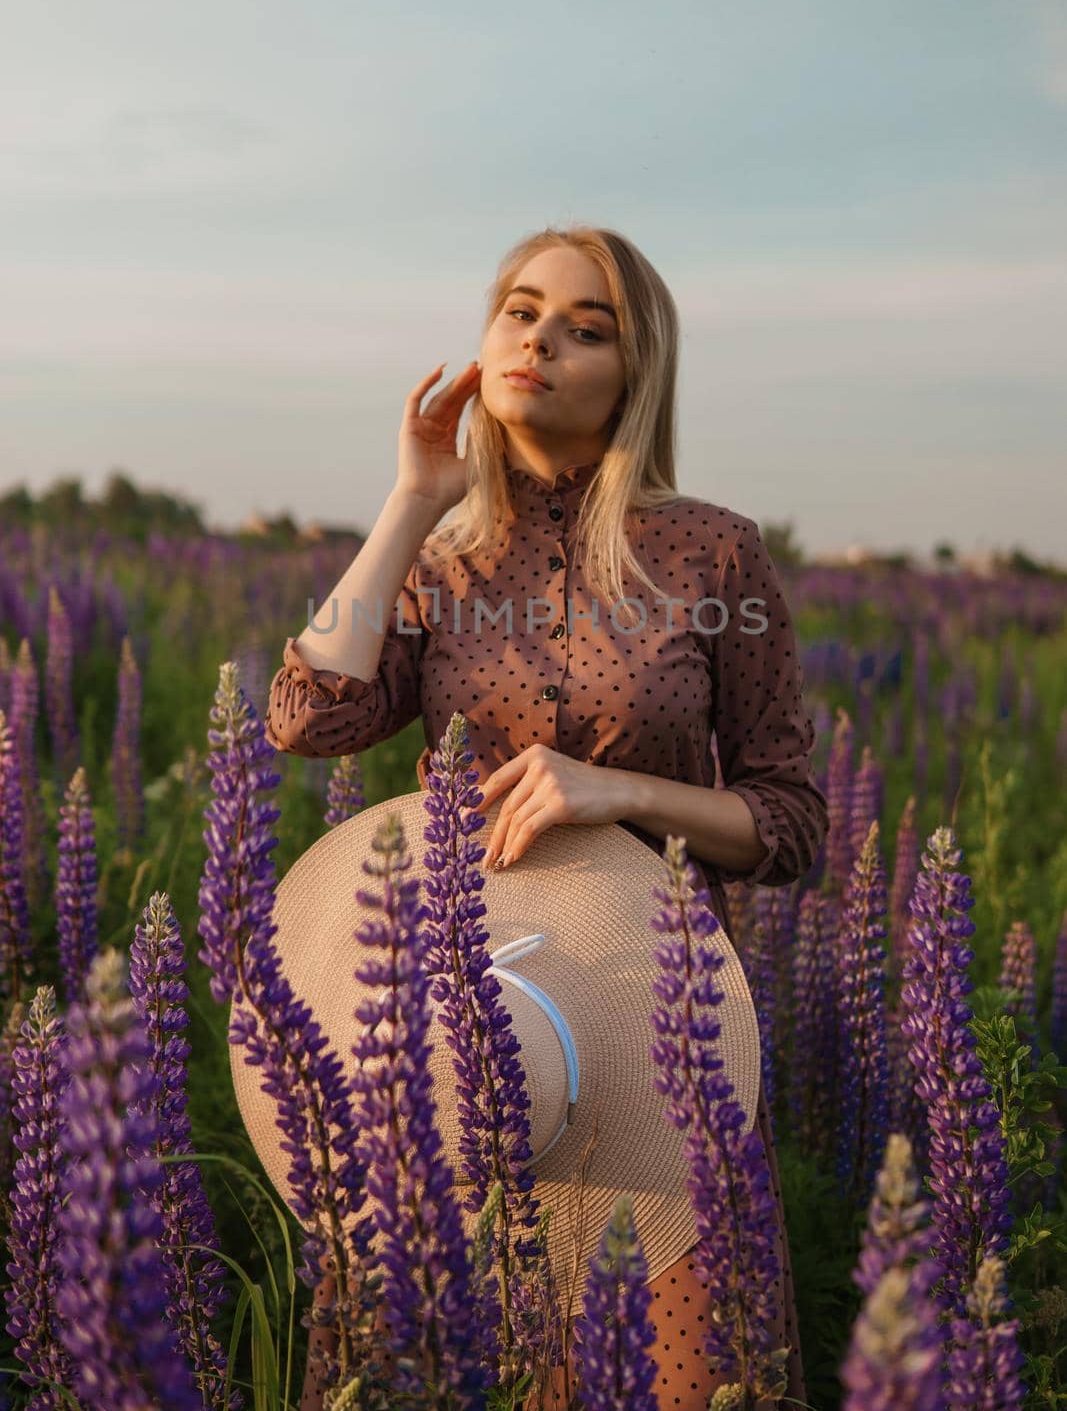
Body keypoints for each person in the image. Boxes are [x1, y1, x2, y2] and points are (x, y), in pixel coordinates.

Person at [266, 225, 829, 1411]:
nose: (541, 339)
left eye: (588, 327)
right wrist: (413, 497)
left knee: (687, 1381)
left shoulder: (712, 551)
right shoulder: (440, 556)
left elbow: (791, 820)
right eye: (521, 310)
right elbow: (304, 713)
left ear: (636, 376)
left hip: (660, 1030)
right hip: (474, 1023)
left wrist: (619, 791)